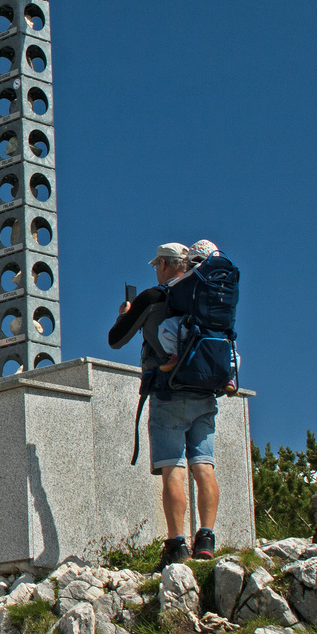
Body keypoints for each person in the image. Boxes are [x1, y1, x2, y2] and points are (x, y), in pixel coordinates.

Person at [114, 242, 220, 567]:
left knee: (173, 467)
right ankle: (206, 537)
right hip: (204, 392)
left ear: (163, 263)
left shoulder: (153, 297)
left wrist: (126, 315)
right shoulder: (207, 296)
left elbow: (116, 340)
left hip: (167, 392)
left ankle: (177, 545)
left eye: (156, 265)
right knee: (204, 464)